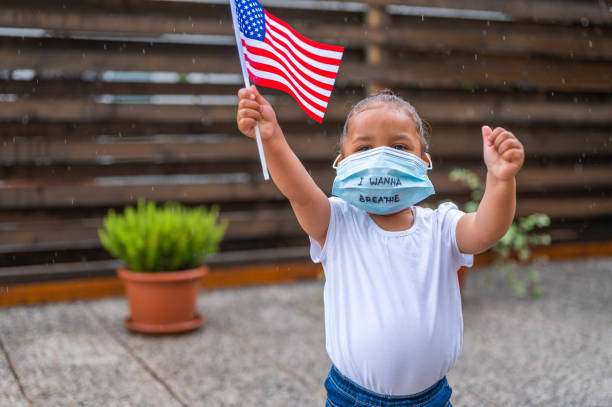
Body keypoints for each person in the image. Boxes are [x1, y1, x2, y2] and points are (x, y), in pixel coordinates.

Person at [236, 85, 524, 407]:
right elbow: (300, 192)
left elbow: (487, 229)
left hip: (432, 399)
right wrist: (272, 137)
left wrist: (501, 181)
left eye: (400, 147)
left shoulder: (441, 227)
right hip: (352, 398)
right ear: (341, 163)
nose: (381, 159)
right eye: (363, 149)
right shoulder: (336, 223)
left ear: (424, 161)